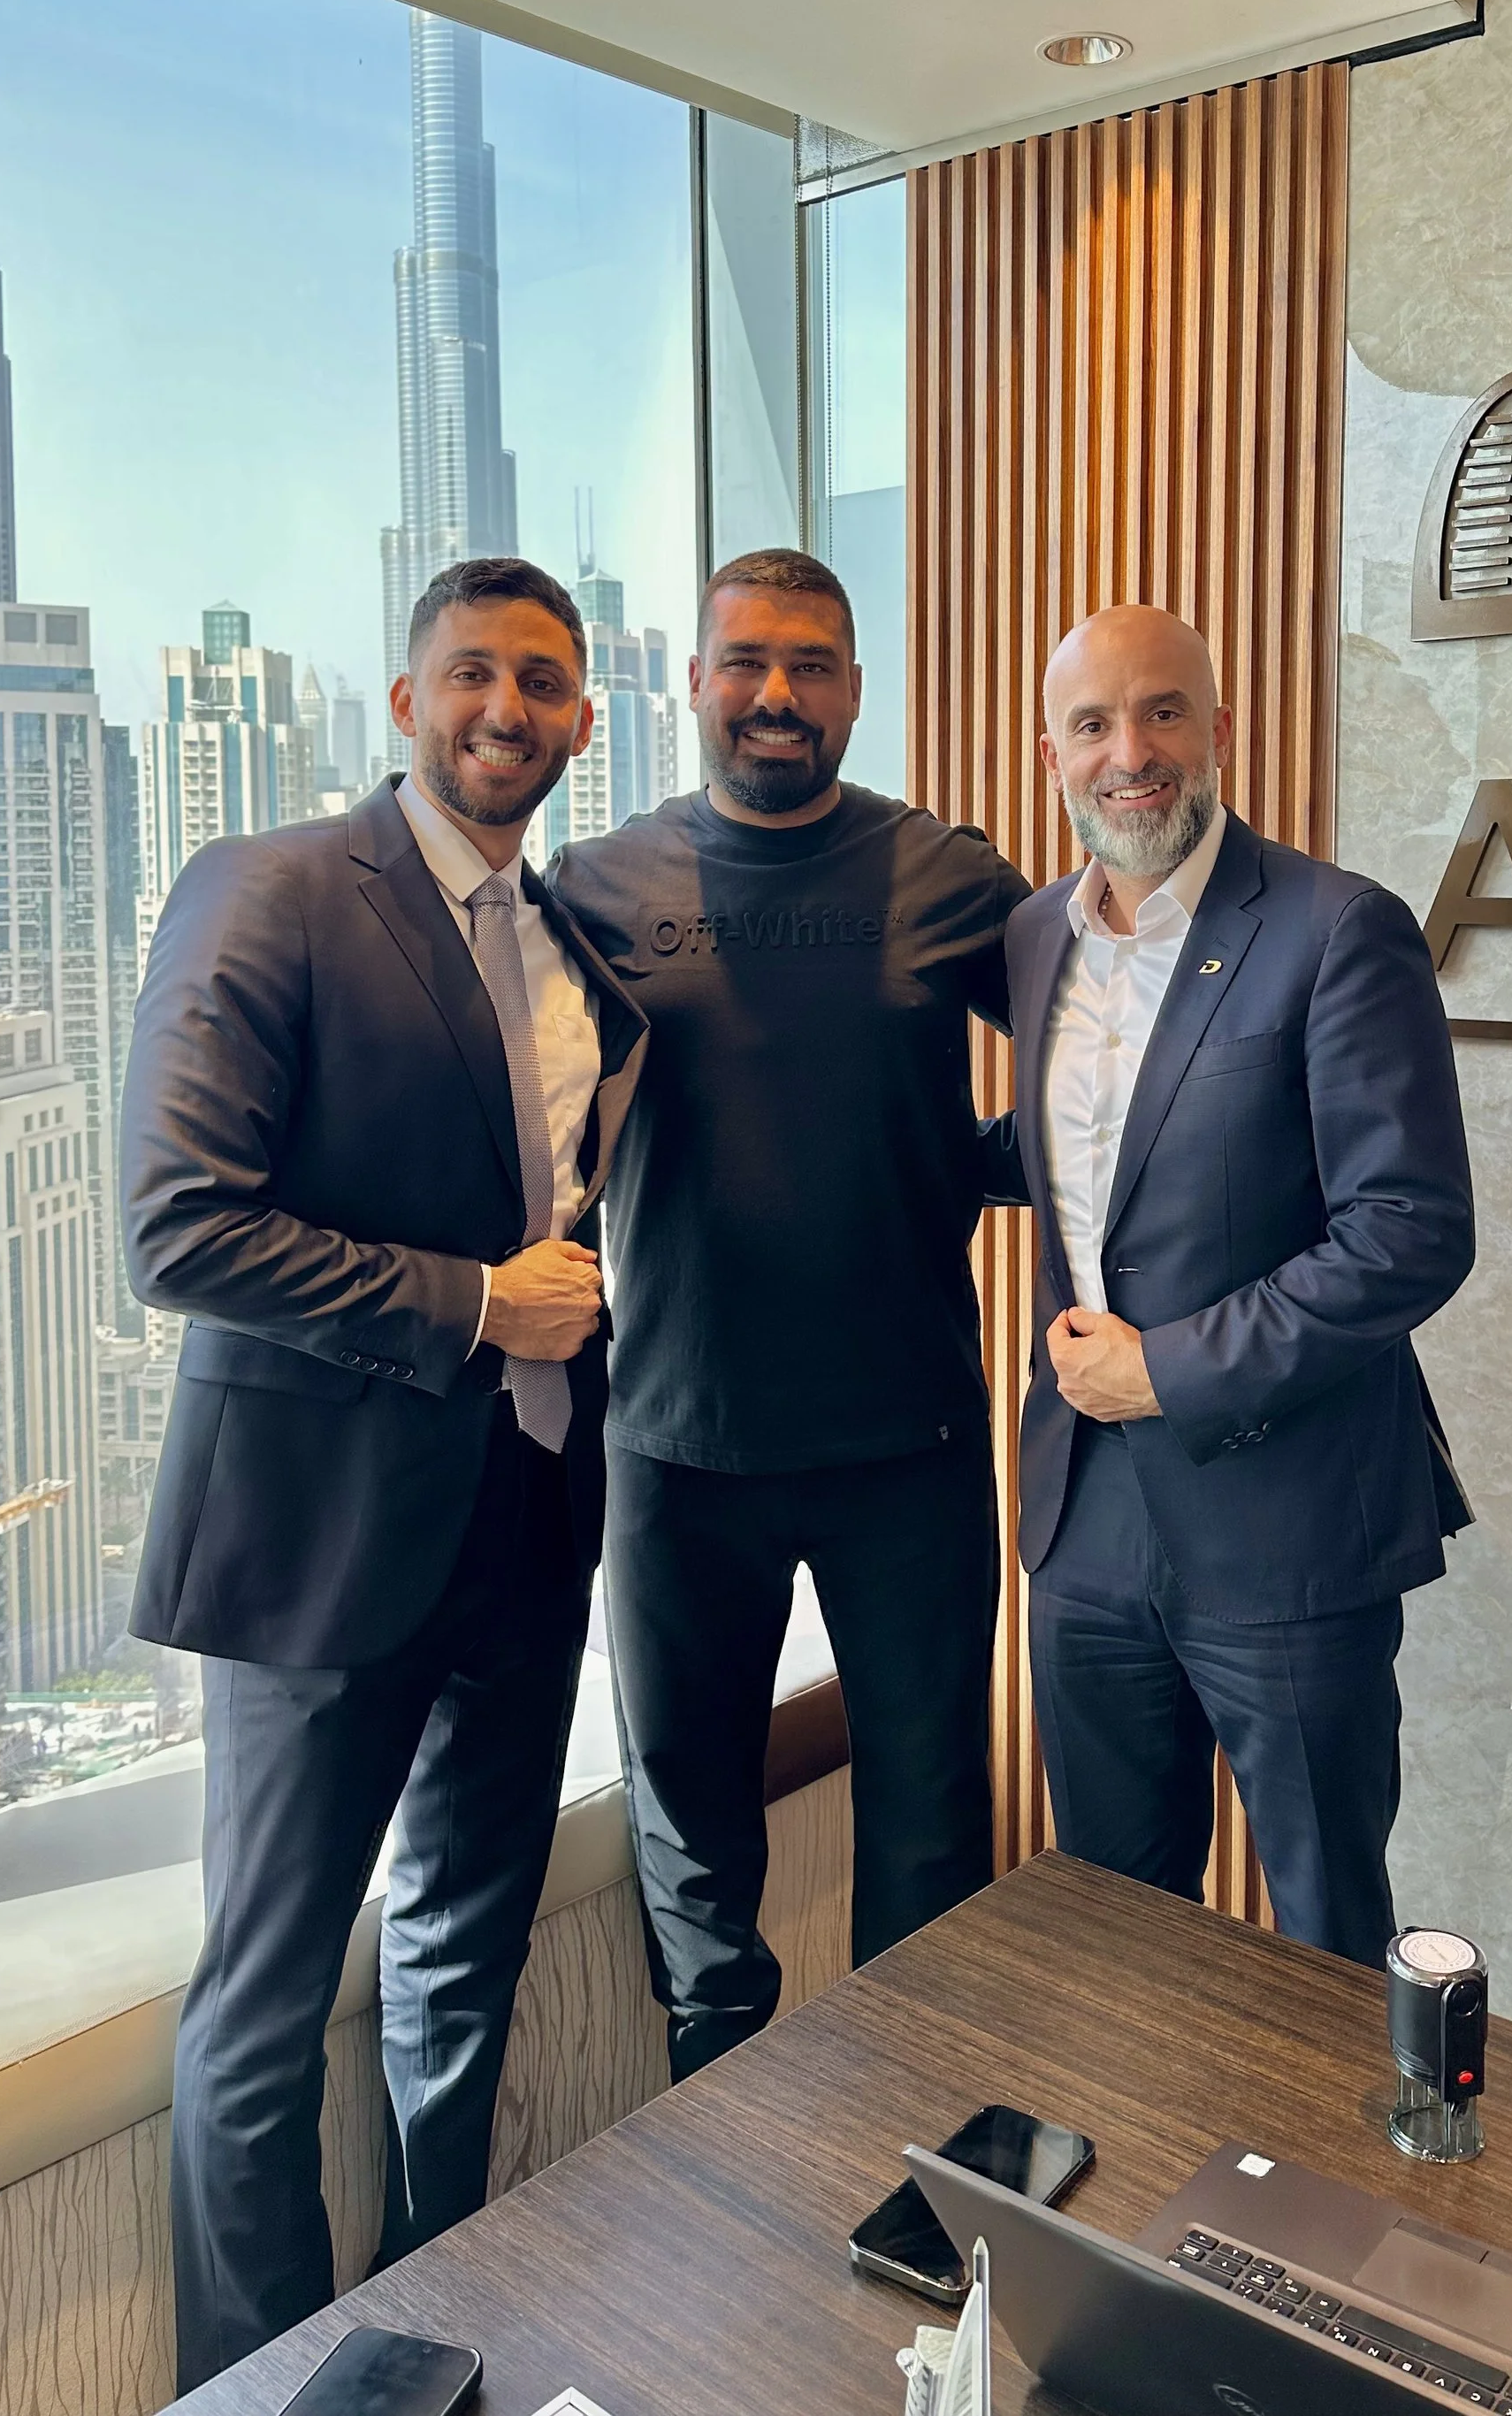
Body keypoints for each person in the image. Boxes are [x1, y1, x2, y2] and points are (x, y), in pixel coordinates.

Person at [123, 557, 646, 2386]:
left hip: (525, 1527)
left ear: (584, 718)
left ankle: (442, 2336)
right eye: (474, 674)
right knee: (261, 2016)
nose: (510, 707)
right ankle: (261, 2388)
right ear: (407, 699)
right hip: (316, 1546)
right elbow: (177, 1224)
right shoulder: (268, 891)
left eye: (546, 682)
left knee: (460, 1971)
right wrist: (469, 1305)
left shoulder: (572, 937)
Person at [550, 546, 1029, 2076]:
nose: (776, 693)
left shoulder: (949, 878)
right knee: (692, 1850)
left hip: (914, 1438)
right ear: (692, 682)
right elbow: (512, 1126)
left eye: (812, 664)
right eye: (746, 660)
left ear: (854, 694)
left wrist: (980, 1168)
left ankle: (921, 2181)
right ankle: (727, 2175)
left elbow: (1118, 1081)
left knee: (932, 1828)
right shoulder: (600, 887)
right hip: (678, 1447)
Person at [989, 604, 1475, 1963]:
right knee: (1115, 1926)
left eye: (1161, 713)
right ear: (1052, 753)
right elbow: (1095, 1162)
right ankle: (1146, 2171)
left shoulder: (1337, 930)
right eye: (1093, 724)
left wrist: (1167, 1369)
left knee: (1323, 1934)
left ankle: (1334, 2184)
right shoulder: (1040, 937)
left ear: (1221, 732)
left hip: (1290, 1530)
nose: (1129, 753)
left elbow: (1408, 1230)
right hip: (1085, 1526)